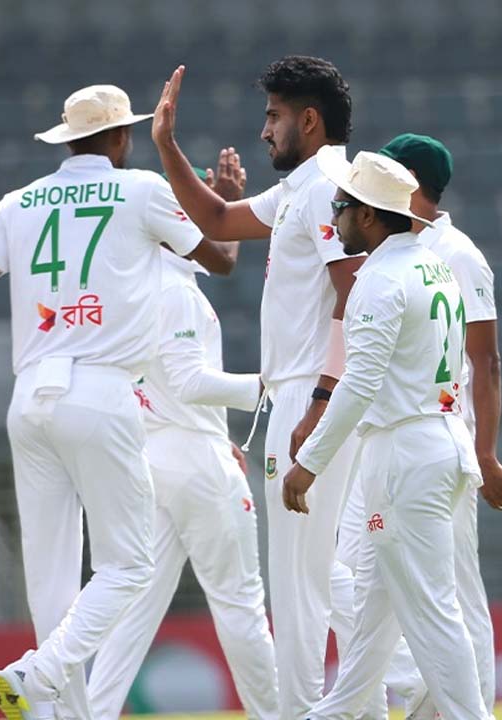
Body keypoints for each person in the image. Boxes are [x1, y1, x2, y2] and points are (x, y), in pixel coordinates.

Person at [0, 84, 231, 720]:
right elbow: (219, 260)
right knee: (130, 564)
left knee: (51, 583)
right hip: (103, 391)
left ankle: (64, 710)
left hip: (29, 398)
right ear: (121, 137)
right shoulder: (141, 189)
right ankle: (39, 671)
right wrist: (212, 196)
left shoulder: (18, 202)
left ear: (67, 139)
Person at [151, 57, 375, 719]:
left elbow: (354, 292)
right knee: (319, 572)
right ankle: (392, 687)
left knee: (299, 585)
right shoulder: (305, 186)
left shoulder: (327, 186)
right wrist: (165, 145)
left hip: (310, 393)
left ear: (309, 121)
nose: (263, 131)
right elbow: (219, 221)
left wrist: (322, 399)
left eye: (274, 116)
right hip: (306, 393)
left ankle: (307, 710)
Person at [283, 147, 489, 720]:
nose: (334, 216)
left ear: (369, 215)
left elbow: (358, 384)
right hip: (438, 440)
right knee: (374, 616)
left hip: (403, 454)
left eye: (341, 206)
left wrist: (309, 463)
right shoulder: (432, 265)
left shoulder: (378, 279)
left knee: (433, 613)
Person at [88, 158, 280, 720]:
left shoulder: (133, 292)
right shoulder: (178, 294)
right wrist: (273, 386)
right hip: (196, 462)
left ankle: (92, 712)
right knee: (240, 604)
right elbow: (191, 382)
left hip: (152, 459)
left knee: (135, 610)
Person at [378, 132, 502, 716]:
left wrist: (486, 453)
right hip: (397, 437)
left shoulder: (458, 253)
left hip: (443, 437)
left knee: (457, 593)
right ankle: (429, 702)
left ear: (410, 183)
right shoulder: (396, 245)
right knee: (383, 584)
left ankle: (471, 707)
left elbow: (486, 360)